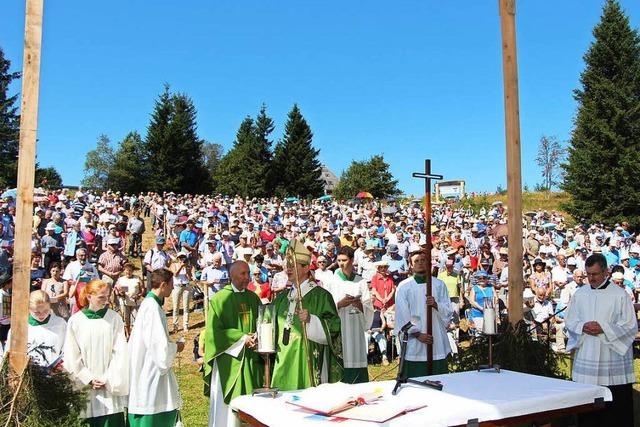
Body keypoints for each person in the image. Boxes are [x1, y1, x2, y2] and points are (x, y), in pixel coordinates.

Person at [565, 254, 637, 427]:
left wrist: (603, 328)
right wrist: (582, 326)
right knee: (588, 412)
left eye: (595, 274)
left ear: (606, 271)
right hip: (588, 351)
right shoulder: (580, 294)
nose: (591, 278)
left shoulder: (620, 295)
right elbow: (570, 320)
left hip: (611, 357)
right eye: (588, 274)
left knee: (615, 412)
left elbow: (630, 325)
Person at [272, 239, 343, 391]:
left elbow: (335, 326)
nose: (288, 269)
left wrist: (312, 320)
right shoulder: (282, 298)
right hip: (283, 357)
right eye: (287, 266)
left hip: (307, 357)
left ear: (306, 268)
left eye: (293, 266)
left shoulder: (321, 296)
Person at [203, 261, 264, 427]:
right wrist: (241, 338)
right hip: (229, 359)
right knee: (228, 412)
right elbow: (214, 333)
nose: (247, 278)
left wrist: (258, 335)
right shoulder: (220, 299)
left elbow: (262, 322)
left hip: (251, 358)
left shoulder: (253, 298)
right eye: (243, 274)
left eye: (248, 274)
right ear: (231, 275)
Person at [64, 279, 129, 427]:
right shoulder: (76, 321)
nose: (106, 301)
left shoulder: (114, 318)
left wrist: (107, 378)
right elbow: (71, 355)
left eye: (107, 296)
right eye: (101, 297)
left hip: (109, 388)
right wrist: (87, 378)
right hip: (85, 388)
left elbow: (120, 353)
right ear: (89, 296)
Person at [128, 268, 184, 427]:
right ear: (163, 285)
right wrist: (177, 347)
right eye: (171, 284)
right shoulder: (152, 308)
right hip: (149, 372)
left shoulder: (151, 305)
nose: (173, 288)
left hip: (148, 368)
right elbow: (160, 350)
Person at [394, 248, 452, 376]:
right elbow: (402, 315)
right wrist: (417, 334)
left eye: (423, 260)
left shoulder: (438, 284)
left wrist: (436, 305)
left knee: (438, 378)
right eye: (416, 261)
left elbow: (448, 310)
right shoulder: (404, 287)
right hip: (415, 341)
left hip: (435, 337)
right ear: (411, 265)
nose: (420, 263)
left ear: (428, 263)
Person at [324, 246, 373, 384]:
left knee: (356, 355)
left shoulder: (360, 281)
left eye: (344, 260)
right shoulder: (332, 281)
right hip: (340, 327)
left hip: (356, 327)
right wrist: (340, 304)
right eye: (339, 260)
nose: (341, 263)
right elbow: (326, 307)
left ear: (352, 260)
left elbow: (368, 306)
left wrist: (359, 305)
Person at [5, 290, 66, 367]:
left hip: (53, 373)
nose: (42, 315)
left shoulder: (60, 323)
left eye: (46, 311)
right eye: (37, 312)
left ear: (50, 306)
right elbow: (9, 353)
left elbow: (67, 349)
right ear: (29, 309)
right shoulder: (20, 327)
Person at [114, 263, 143, 334]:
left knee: (135, 319)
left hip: (135, 302)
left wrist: (139, 295)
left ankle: (134, 334)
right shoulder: (120, 279)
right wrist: (120, 293)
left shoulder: (137, 278)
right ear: (124, 270)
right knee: (125, 319)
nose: (128, 272)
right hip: (124, 302)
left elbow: (142, 289)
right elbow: (116, 290)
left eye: (130, 270)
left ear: (132, 271)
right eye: (127, 270)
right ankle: (127, 334)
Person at [170, 250, 194, 332]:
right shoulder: (174, 265)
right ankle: (175, 325)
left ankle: (186, 325)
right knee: (176, 307)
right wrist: (181, 266)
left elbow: (190, 278)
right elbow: (175, 274)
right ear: (178, 258)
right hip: (177, 286)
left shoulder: (187, 266)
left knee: (186, 307)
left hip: (186, 286)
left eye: (183, 257)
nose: (182, 259)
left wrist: (187, 269)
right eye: (180, 258)